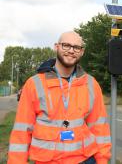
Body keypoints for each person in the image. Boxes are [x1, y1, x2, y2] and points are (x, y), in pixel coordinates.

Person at [8, 31, 111, 164]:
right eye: (66, 45)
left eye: (76, 47)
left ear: (82, 52)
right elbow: (21, 132)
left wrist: (102, 160)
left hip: (85, 159)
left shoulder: (91, 84)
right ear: (56, 47)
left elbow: (100, 128)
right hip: (47, 161)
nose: (71, 51)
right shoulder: (34, 84)